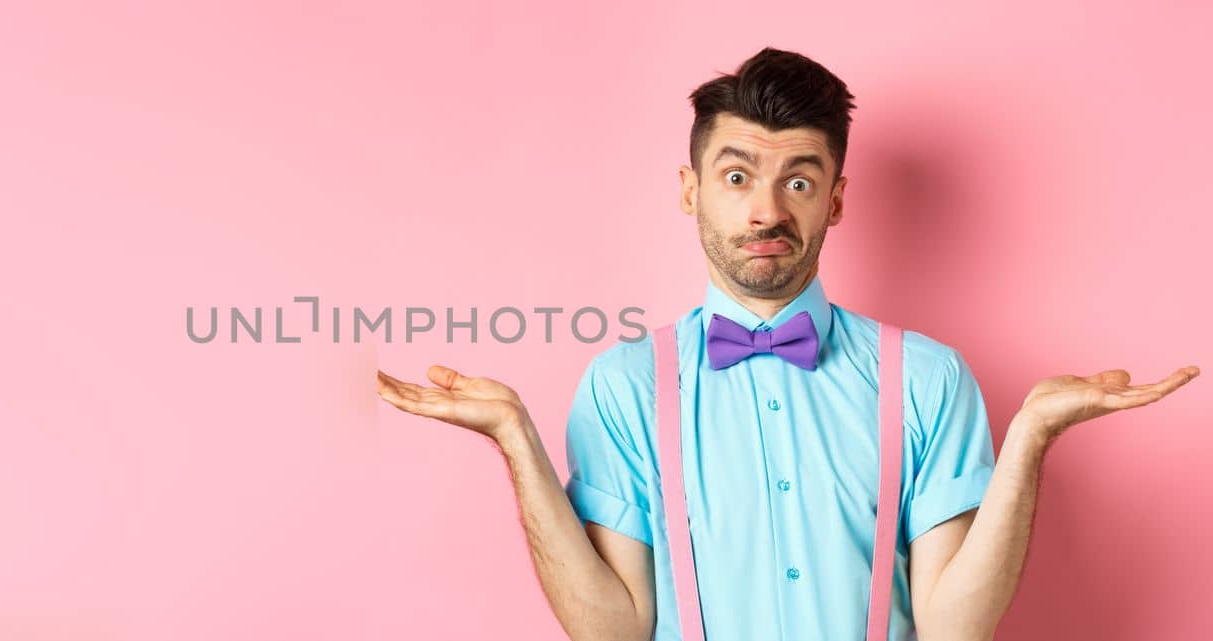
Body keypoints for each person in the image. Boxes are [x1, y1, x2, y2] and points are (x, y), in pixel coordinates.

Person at [374, 46, 1199, 641]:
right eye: (737, 178)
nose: (767, 211)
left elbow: (955, 630)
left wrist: (1030, 439)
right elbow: (615, 630)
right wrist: (516, 440)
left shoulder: (928, 377)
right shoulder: (624, 384)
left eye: (798, 180)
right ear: (691, 190)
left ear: (835, 200)